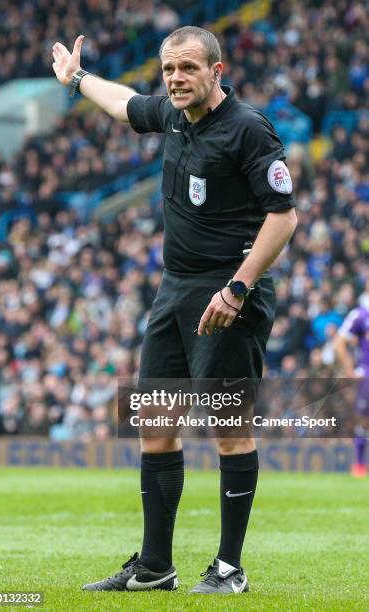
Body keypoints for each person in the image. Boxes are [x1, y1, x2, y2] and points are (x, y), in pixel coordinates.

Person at [52, 25, 298, 595]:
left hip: (229, 293)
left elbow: (282, 216)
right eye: (168, 69)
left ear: (217, 70)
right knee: (156, 424)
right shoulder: (171, 116)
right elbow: (122, 104)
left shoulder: (247, 128)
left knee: (228, 429)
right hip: (175, 290)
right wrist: (78, 79)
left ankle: (230, 571)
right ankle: (155, 567)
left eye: (188, 68)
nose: (176, 79)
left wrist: (237, 289)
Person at [334, 297, 369, 477]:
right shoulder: (361, 314)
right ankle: (360, 464)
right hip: (367, 374)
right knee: (364, 420)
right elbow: (340, 341)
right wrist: (349, 370)